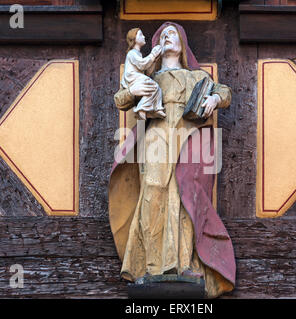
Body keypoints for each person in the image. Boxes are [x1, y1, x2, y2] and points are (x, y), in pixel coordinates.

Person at [109, 22, 235, 298]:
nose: (168, 38)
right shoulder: (150, 77)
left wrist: (214, 98)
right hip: (156, 137)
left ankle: (183, 263)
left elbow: (224, 92)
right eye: (163, 35)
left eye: (173, 34)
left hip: (188, 139)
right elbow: (120, 99)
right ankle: (152, 266)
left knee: (184, 197)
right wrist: (135, 92)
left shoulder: (195, 77)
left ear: (182, 43)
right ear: (157, 44)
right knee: (153, 194)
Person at [121, 28, 165, 120]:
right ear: (134, 38)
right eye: (141, 35)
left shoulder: (138, 53)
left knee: (156, 88)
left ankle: (157, 108)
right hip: (133, 78)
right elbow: (142, 65)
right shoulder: (132, 53)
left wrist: (154, 60)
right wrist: (152, 55)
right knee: (153, 87)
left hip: (138, 77)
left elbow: (147, 72)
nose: (144, 36)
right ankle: (142, 108)